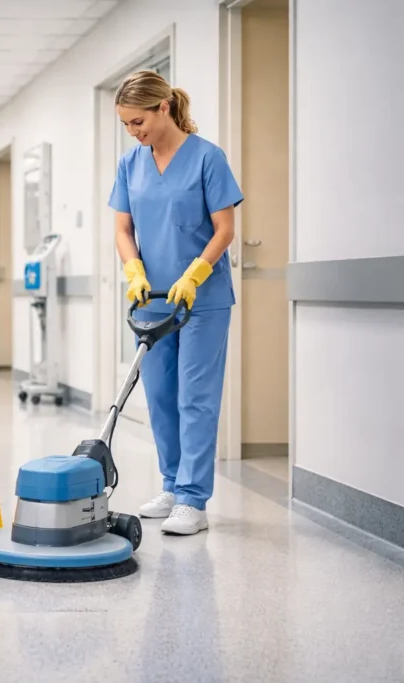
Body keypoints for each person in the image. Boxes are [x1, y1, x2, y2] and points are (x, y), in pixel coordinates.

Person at [108, 70, 242, 535]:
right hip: (151, 298)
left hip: (202, 298)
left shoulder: (207, 158)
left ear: (163, 108)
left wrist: (195, 274)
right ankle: (171, 484)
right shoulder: (130, 163)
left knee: (195, 398)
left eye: (138, 121)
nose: (133, 132)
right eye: (126, 124)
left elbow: (225, 229)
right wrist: (133, 270)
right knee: (161, 397)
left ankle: (192, 499)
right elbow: (123, 229)